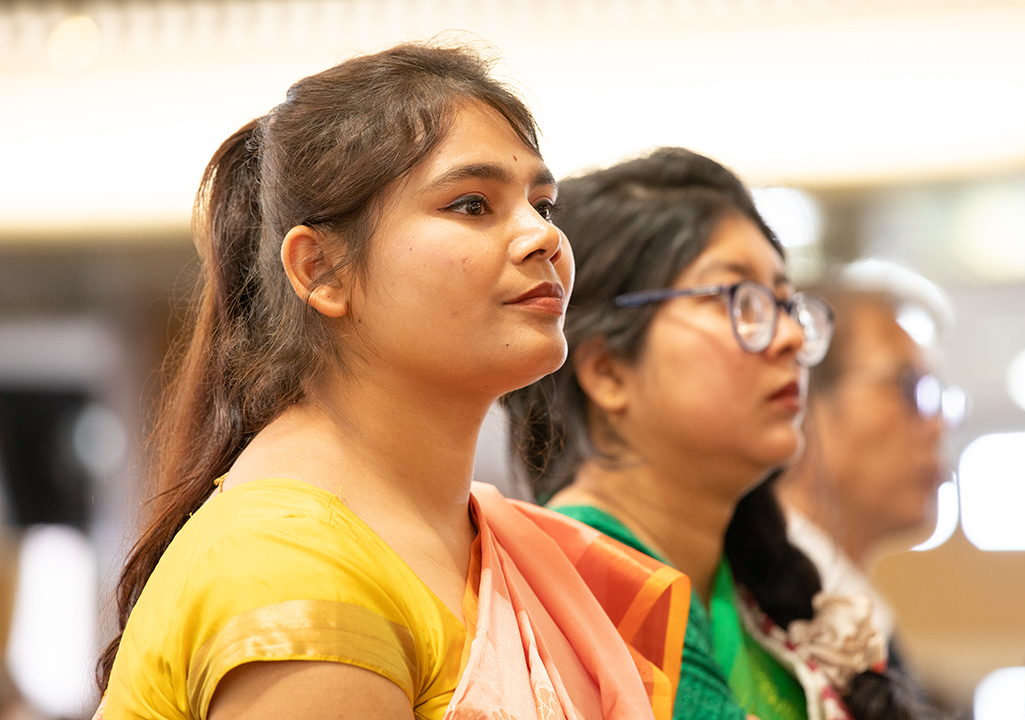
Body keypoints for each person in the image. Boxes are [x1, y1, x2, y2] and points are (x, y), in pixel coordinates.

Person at [96, 44, 690, 720]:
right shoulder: (289, 564)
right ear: (320, 270)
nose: (542, 238)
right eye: (471, 204)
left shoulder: (480, 537)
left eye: (544, 206)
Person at [505, 148, 925, 720]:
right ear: (607, 371)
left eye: (785, 303)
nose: (790, 340)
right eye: (738, 300)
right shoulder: (569, 582)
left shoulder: (753, 592)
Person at [773, 271, 954, 672]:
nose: (938, 426)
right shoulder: (762, 616)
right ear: (800, 397)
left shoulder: (856, 616)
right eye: (908, 387)